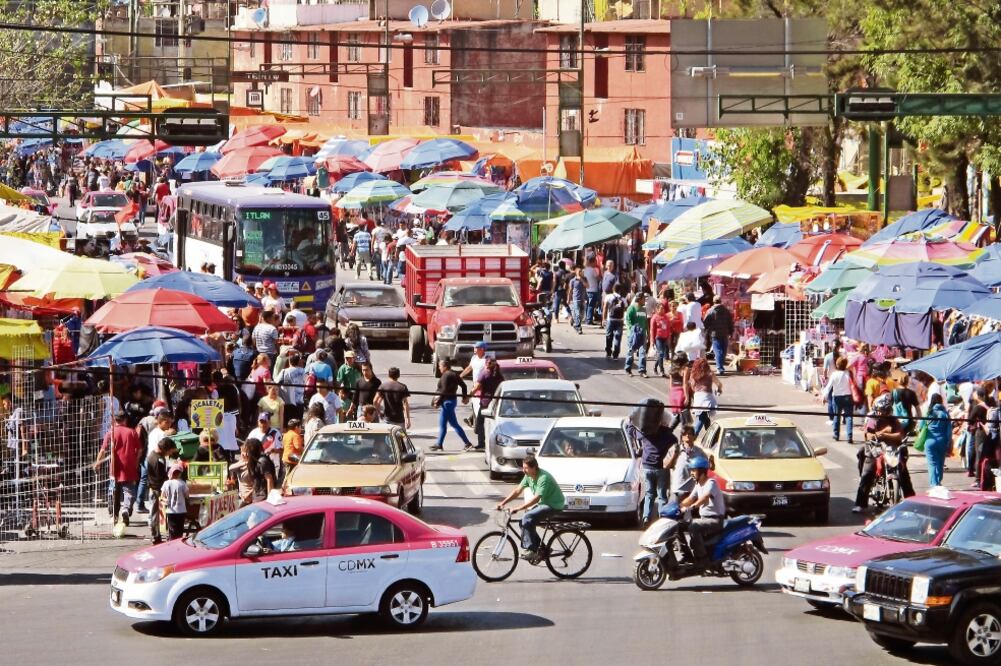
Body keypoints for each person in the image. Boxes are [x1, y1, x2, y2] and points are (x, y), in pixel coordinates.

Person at [853, 393, 914, 513]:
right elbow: (868, 435)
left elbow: (899, 435)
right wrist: (880, 435)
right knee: (868, 473)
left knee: (904, 474)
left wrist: (885, 435)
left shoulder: (893, 420)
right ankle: (860, 503)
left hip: (892, 450)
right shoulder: (872, 418)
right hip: (875, 449)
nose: (882, 413)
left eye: (884, 411)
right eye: (880, 410)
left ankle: (911, 502)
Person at [496, 455, 565, 561]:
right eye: (523, 467)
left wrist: (518, 508)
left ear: (534, 468)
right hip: (544, 503)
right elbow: (517, 491)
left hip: (554, 505)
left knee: (527, 517)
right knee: (523, 522)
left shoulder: (543, 478)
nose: (524, 470)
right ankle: (542, 549)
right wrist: (503, 502)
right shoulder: (528, 476)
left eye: (526, 468)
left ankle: (530, 550)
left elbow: (536, 499)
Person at [93, 411, 143, 526]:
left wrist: (98, 463)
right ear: (125, 420)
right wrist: (136, 461)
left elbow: (103, 450)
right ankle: (126, 509)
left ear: (114, 420)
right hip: (129, 466)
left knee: (113, 490)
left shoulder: (110, 432)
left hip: (115, 467)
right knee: (129, 491)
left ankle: (113, 514)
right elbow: (140, 449)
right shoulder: (132, 432)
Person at [631, 399, 677, 525]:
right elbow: (675, 441)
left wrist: (631, 420)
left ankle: (646, 517)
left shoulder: (646, 433)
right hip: (661, 469)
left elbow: (633, 431)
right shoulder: (668, 435)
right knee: (662, 495)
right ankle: (662, 518)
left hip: (647, 467)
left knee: (650, 494)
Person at [679, 455, 724, 566]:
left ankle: (703, 559)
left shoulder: (711, 483)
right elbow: (690, 498)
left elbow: (705, 498)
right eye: (691, 470)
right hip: (704, 519)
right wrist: (677, 506)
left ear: (702, 471)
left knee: (693, 526)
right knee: (678, 526)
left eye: (694, 470)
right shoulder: (698, 484)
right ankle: (686, 555)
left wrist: (692, 507)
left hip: (715, 520)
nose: (691, 473)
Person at [431, 357, 473, 451]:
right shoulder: (454, 374)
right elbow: (464, 385)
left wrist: (438, 402)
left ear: (445, 366)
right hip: (451, 401)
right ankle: (439, 444)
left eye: (440, 366)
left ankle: (467, 443)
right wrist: (464, 397)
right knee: (444, 424)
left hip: (447, 403)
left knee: (453, 424)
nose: (439, 368)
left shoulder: (446, 375)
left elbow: (444, 391)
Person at [146, 436, 178, 545]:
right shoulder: (157, 459)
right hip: (156, 489)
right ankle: (155, 536)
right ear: (165, 449)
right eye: (170, 451)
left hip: (156, 488)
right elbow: (159, 478)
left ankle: (157, 535)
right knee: (155, 514)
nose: (169, 454)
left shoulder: (157, 456)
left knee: (156, 513)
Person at [666, 426, 707, 503]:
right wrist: (675, 455)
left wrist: (712, 462)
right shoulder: (675, 449)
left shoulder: (699, 451)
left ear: (694, 437)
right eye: (684, 434)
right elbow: (666, 466)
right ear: (681, 437)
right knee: (674, 513)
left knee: (690, 514)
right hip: (677, 490)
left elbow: (708, 467)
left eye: (690, 434)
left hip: (693, 491)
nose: (687, 435)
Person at [471, 356, 505, 451]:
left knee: (480, 423)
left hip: (485, 403)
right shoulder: (499, 376)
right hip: (496, 403)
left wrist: (469, 394)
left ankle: (481, 443)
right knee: (493, 423)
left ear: (487, 364)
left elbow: (477, 387)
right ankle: (494, 442)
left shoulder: (484, 374)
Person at [822, 356, 855, 443]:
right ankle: (849, 436)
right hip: (848, 396)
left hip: (837, 397)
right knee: (849, 417)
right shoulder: (849, 373)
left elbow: (828, 387)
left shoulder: (834, 375)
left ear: (837, 365)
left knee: (837, 416)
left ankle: (836, 434)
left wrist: (824, 397)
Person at [687, 357, 722, 435]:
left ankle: (710, 434)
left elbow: (692, 386)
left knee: (703, 416)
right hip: (707, 397)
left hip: (697, 397)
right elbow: (719, 384)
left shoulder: (693, 374)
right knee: (702, 418)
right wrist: (719, 389)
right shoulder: (710, 373)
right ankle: (694, 435)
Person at [924, 394, 951, 488]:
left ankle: (934, 484)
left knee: (932, 464)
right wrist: (948, 443)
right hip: (942, 441)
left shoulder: (929, 412)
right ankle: (938, 481)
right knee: (940, 463)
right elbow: (949, 431)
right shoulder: (945, 414)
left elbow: (921, 427)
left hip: (930, 440)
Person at [702, 296, 733, 376]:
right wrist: (731, 332)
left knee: (717, 350)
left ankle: (720, 368)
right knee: (723, 350)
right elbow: (730, 322)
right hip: (725, 332)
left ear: (713, 301)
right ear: (720, 301)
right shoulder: (726, 311)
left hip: (715, 333)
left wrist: (706, 331)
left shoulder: (710, 311)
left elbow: (705, 323)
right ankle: (721, 366)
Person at [161, 464, 189, 541]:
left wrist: (166, 501)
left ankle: (171, 542)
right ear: (180, 473)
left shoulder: (166, 483)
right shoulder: (183, 483)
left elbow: (162, 496)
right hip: (181, 510)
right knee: (180, 530)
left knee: (172, 530)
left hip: (171, 510)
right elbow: (187, 495)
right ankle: (178, 543)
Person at [624, 293, 649, 378]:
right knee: (631, 351)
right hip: (633, 334)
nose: (645, 301)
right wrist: (632, 330)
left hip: (642, 334)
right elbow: (628, 321)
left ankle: (642, 370)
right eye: (643, 299)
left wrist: (648, 333)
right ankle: (628, 369)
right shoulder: (632, 308)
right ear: (639, 299)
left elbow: (646, 322)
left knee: (642, 352)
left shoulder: (644, 309)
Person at [649, 302, 674, 377]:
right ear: (657, 309)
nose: (663, 310)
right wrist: (652, 341)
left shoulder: (666, 317)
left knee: (661, 355)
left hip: (665, 338)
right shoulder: (655, 317)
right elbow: (652, 330)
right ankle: (662, 371)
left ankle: (655, 367)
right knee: (660, 353)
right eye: (661, 309)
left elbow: (668, 328)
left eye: (663, 309)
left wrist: (669, 338)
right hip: (658, 338)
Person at [603, 284, 627, 359]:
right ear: (620, 290)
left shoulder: (608, 297)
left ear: (613, 289)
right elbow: (625, 308)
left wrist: (604, 319)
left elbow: (605, 308)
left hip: (610, 319)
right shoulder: (623, 299)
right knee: (618, 337)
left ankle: (608, 352)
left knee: (609, 335)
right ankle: (616, 353)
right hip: (620, 320)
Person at [566, 267, 587, 334]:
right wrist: (568, 299)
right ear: (576, 273)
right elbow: (570, 290)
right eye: (579, 272)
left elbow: (587, 286)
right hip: (576, 299)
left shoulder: (584, 279)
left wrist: (581, 280)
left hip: (583, 299)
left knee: (582, 315)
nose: (580, 273)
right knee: (577, 314)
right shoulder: (572, 280)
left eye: (581, 272)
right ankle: (579, 328)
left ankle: (576, 324)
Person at [582, 258, 601, 325]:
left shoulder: (585, 270)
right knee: (591, 305)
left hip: (587, 290)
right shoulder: (593, 270)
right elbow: (598, 278)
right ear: (592, 262)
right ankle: (589, 320)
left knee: (588, 305)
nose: (596, 264)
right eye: (595, 262)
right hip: (593, 290)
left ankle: (587, 318)